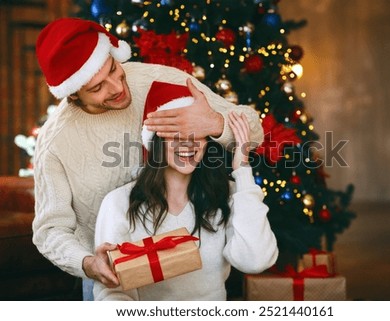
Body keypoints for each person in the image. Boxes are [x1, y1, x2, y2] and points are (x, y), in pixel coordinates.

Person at [32, 17, 264, 300]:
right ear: (73, 94)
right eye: (96, 88)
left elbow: (253, 127)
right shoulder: (55, 143)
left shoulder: (161, 80)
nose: (116, 87)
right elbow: (50, 230)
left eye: (114, 69)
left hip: (196, 264)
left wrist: (216, 123)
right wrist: (89, 263)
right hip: (111, 274)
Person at [93, 82, 278, 300]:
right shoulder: (119, 203)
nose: (188, 144)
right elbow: (113, 292)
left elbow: (256, 260)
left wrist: (242, 170)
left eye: (197, 133)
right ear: (157, 140)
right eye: (176, 134)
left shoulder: (229, 194)